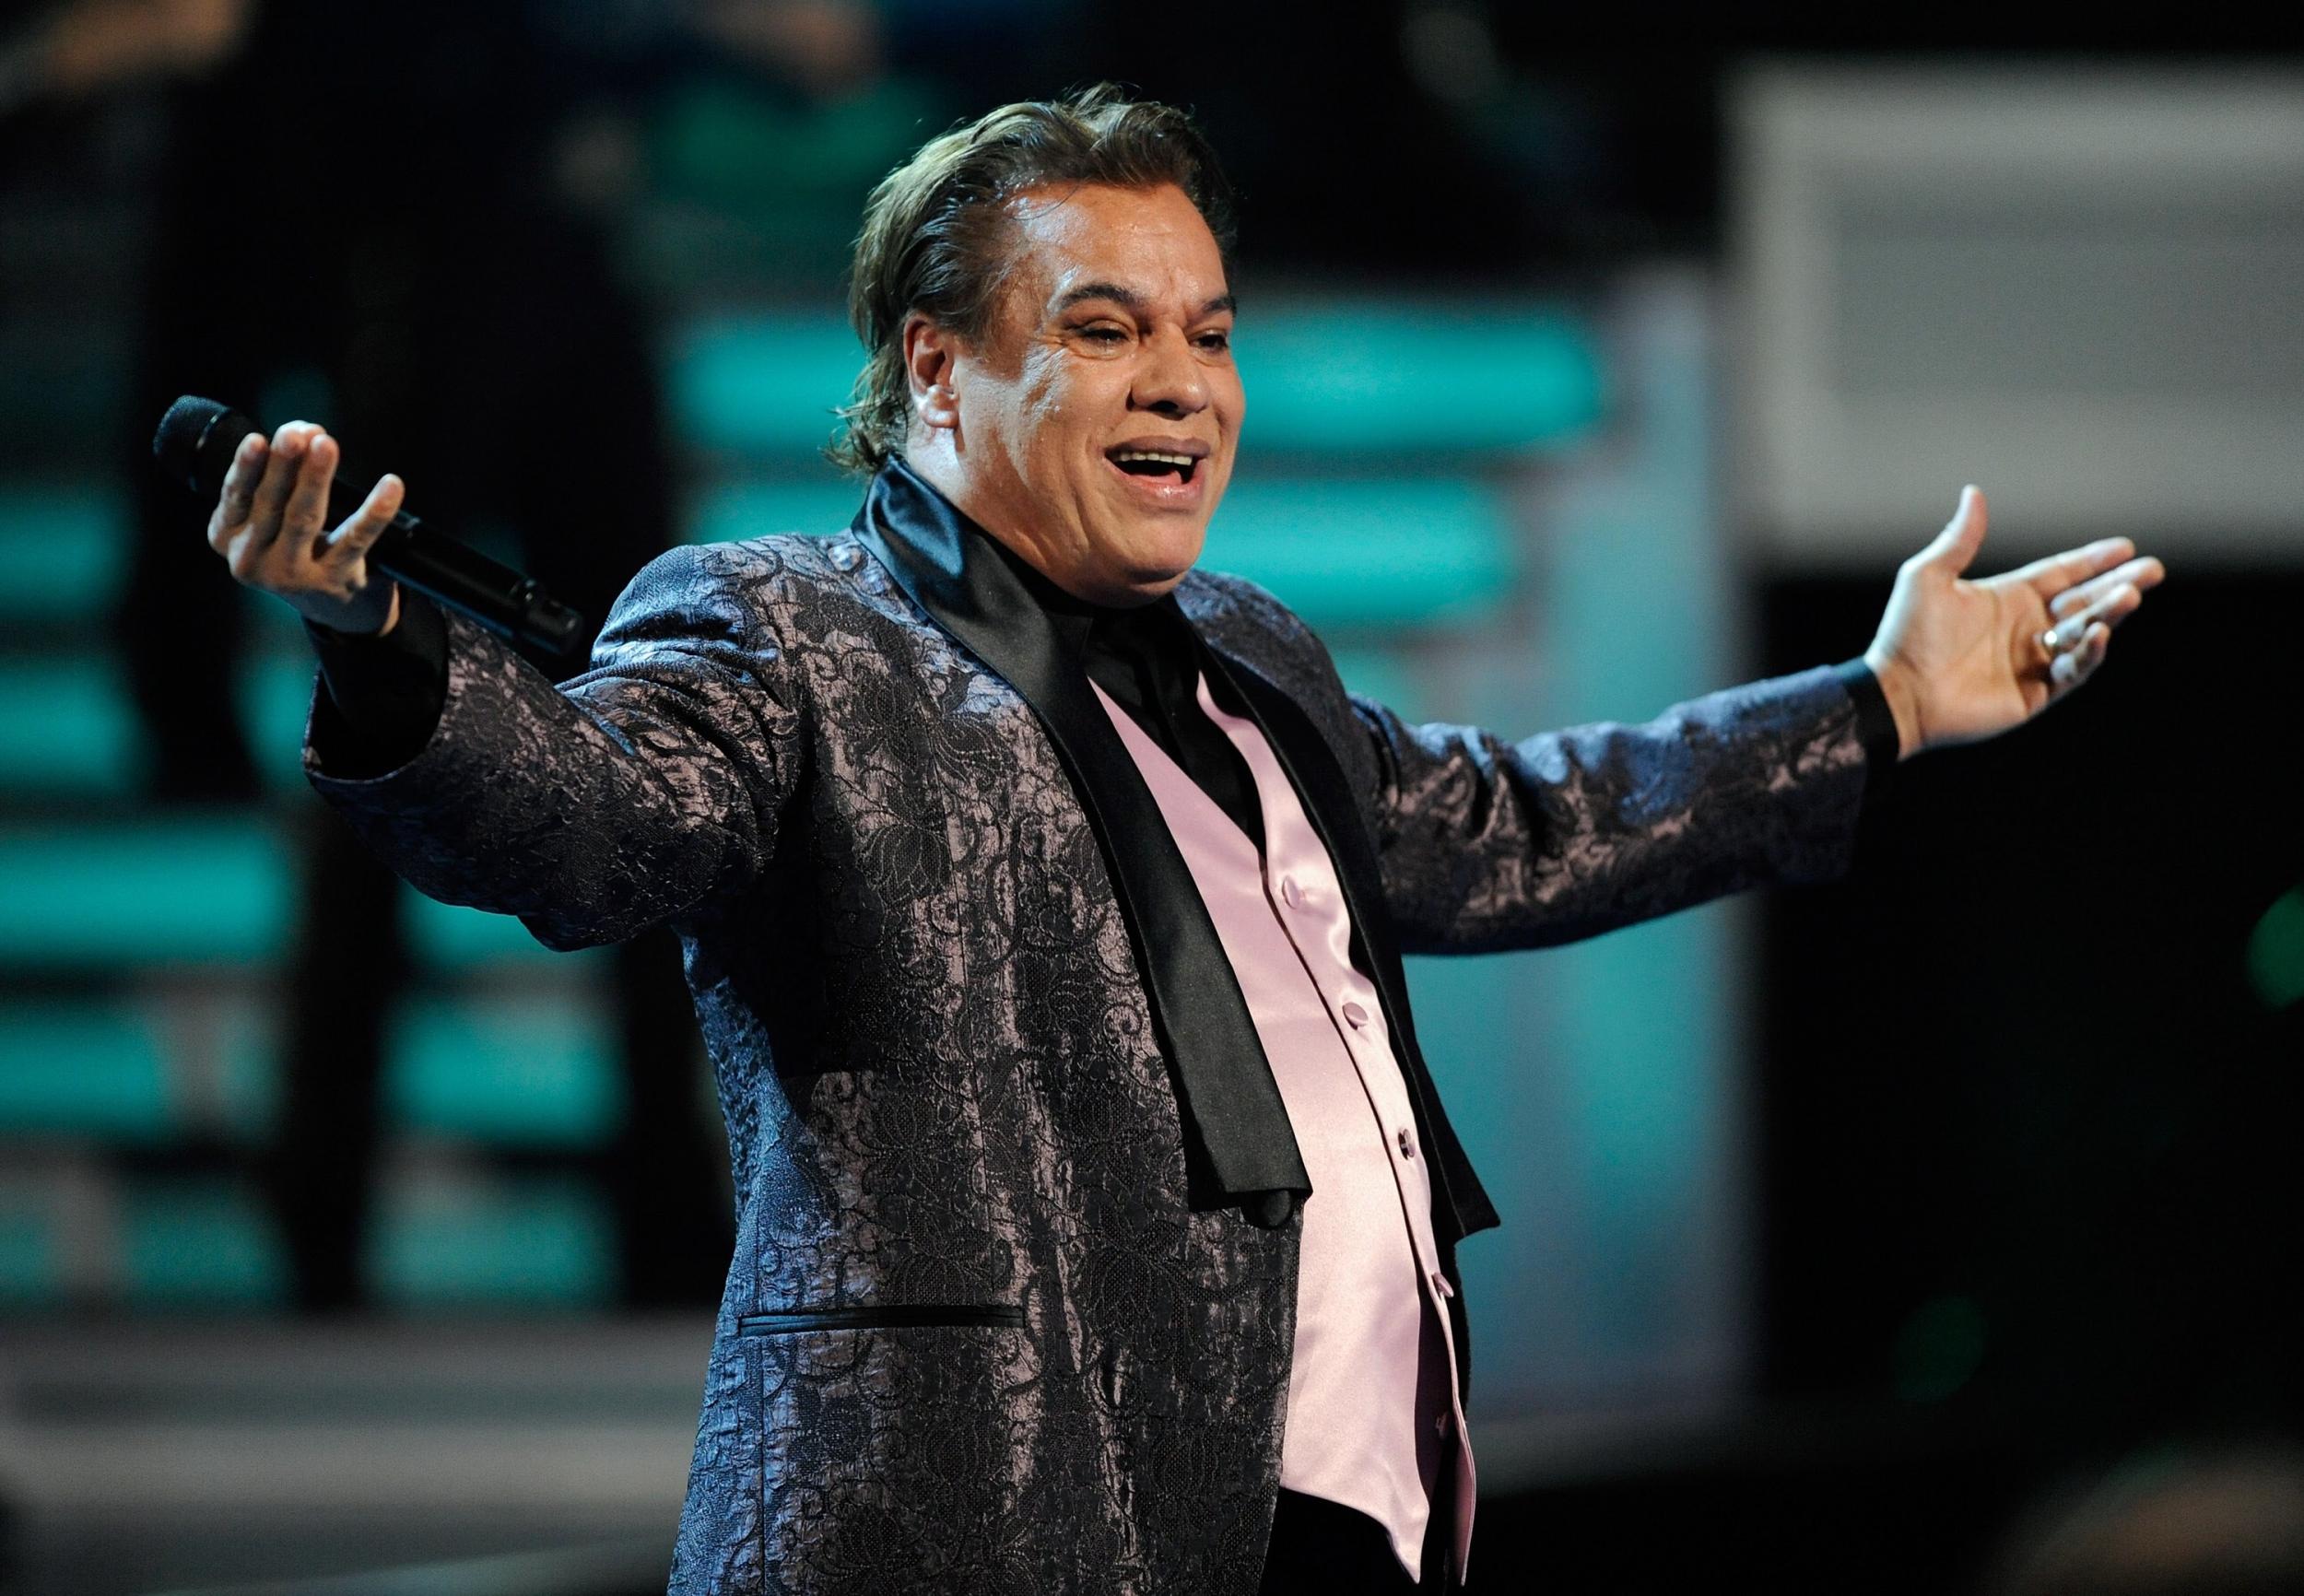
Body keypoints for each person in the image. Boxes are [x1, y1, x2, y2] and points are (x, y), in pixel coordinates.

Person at [196, 87, 2161, 1595]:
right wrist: (383, 656)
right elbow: (594, 824)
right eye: (1108, 325)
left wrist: (1875, 704)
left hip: (1330, 1494)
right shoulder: (782, 624)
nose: (1181, 386)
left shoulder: (1245, 655)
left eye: (1207, 334)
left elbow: (1501, 828)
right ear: (933, 371)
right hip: (980, 1512)